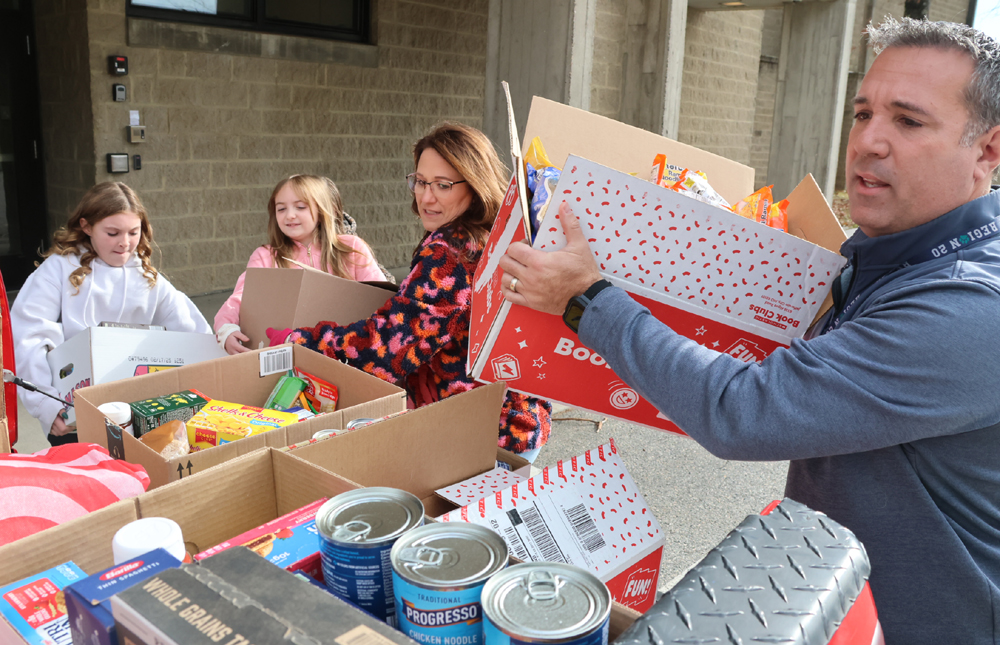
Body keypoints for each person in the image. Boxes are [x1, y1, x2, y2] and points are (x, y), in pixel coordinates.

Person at [499, 18, 1000, 643]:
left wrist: (587, 299)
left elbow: (744, 410)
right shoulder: (892, 257)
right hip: (830, 597)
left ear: (987, 151)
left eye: (909, 121)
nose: (868, 141)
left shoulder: (969, 307)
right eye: (863, 113)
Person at [278, 123, 552, 459]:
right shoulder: (497, 233)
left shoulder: (450, 253)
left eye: (443, 185)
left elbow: (387, 348)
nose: (426, 197)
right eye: (420, 182)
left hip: (484, 434)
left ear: (475, 184)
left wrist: (301, 341)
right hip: (514, 416)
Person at [10, 182, 212, 446]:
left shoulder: (148, 278)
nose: (125, 243)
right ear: (86, 226)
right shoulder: (58, 269)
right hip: (73, 411)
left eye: (133, 232)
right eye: (113, 233)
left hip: (135, 411)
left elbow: (195, 333)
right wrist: (45, 404)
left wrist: (224, 345)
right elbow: (28, 335)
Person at [215, 174, 385, 354]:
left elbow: (382, 299)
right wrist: (227, 329)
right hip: (286, 354)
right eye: (281, 209)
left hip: (347, 352)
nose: (290, 215)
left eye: (300, 207)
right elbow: (241, 299)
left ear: (321, 210)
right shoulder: (265, 256)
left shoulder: (351, 248)